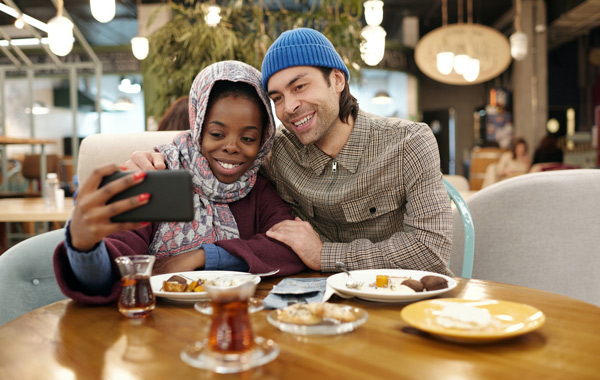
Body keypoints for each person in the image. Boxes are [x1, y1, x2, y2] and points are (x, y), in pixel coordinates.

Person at [125, 28, 453, 276]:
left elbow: (432, 251)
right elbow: (216, 150)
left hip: (407, 297)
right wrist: (158, 159)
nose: (290, 106)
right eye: (277, 97)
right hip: (320, 303)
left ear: (337, 80)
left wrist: (324, 254)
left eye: (300, 87)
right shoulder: (274, 155)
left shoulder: (409, 142)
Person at [53, 61, 306, 304]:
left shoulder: (258, 189)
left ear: (263, 140)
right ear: (198, 129)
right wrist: (85, 248)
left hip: (231, 317)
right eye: (217, 134)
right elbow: (116, 262)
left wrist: (201, 257)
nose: (231, 147)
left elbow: (290, 249)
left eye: (248, 138)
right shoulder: (158, 175)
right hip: (156, 328)